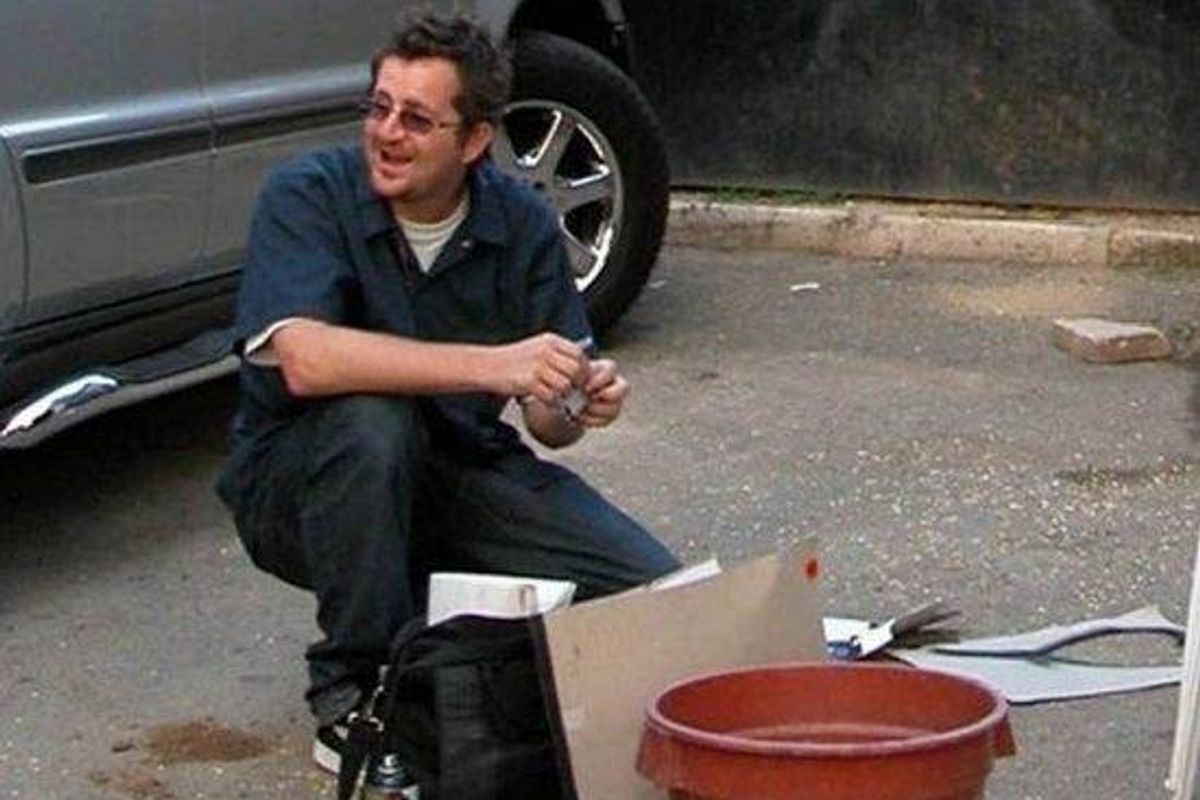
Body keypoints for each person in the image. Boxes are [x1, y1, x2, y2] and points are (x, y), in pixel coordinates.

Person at [215, 13, 679, 775]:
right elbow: (303, 360)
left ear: (472, 142)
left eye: (417, 119)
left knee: (650, 589)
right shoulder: (308, 194)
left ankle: (460, 649)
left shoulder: (521, 219)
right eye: (379, 108)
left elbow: (546, 420)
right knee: (373, 425)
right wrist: (496, 366)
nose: (388, 134)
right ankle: (354, 694)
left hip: (458, 469)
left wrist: (574, 400)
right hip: (302, 488)